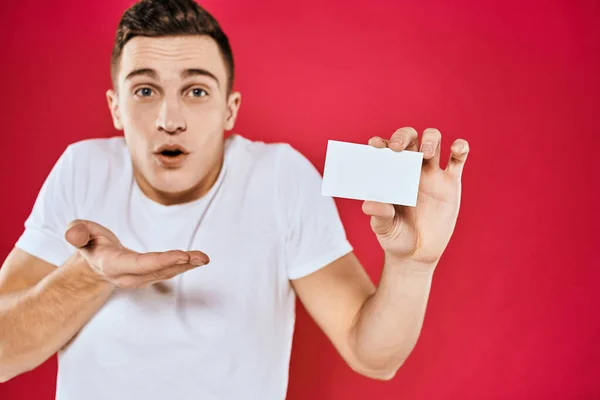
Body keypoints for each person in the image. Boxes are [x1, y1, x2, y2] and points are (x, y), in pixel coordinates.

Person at [0, 0, 470, 399]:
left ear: (230, 110)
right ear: (116, 109)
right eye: (145, 90)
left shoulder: (280, 177)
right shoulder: (82, 169)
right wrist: (90, 276)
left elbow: (373, 357)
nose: (170, 118)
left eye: (196, 90)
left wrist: (413, 265)